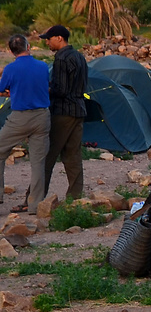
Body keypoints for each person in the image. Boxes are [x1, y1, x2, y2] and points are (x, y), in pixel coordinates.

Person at [0, 34, 51, 211]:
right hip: (42, 116)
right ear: (28, 47)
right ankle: (35, 205)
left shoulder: (10, 69)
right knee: (38, 162)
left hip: (20, 117)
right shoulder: (43, 66)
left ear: (11, 51)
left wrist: (11, 92)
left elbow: (2, 88)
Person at [41, 24, 87, 204]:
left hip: (63, 111)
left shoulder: (61, 58)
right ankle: (75, 197)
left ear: (59, 38)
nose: (47, 42)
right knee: (73, 155)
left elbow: (60, 89)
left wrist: (45, 89)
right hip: (79, 109)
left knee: (48, 154)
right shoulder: (79, 56)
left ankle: (35, 197)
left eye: (49, 38)